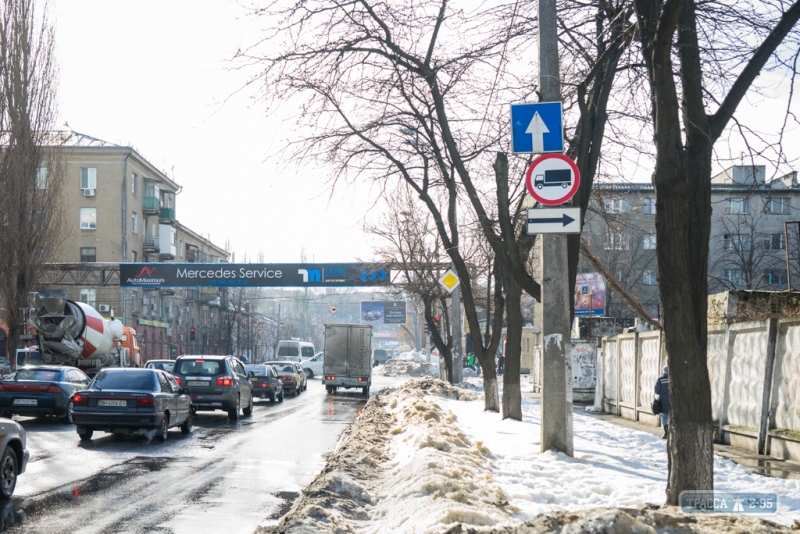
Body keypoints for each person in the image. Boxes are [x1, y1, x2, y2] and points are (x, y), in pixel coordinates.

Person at [654, 365, 669, 439]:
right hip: (674, 403)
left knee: (665, 417)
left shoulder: (660, 379)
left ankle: (666, 433)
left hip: (663, 402)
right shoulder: (676, 379)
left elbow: (657, 391)